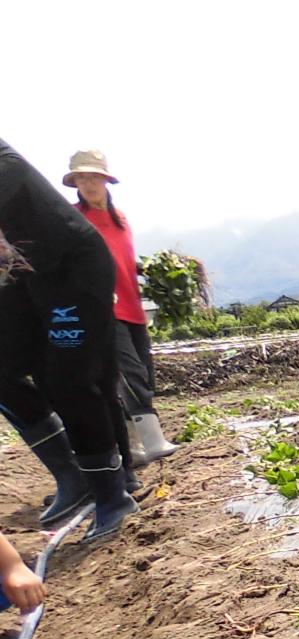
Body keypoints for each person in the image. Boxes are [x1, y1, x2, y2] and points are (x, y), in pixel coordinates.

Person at [0, 138, 135, 542]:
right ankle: (72, 477)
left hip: (72, 267)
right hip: (29, 273)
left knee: (70, 381)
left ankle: (113, 496)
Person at [65, 150, 174, 466]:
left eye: (93, 176)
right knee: (130, 373)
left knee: (142, 372)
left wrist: (148, 270)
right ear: (75, 184)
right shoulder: (72, 219)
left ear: (105, 180)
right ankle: (152, 442)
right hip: (103, 310)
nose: (88, 183)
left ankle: (133, 446)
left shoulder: (120, 219)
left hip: (133, 307)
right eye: (82, 178)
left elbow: (120, 260)